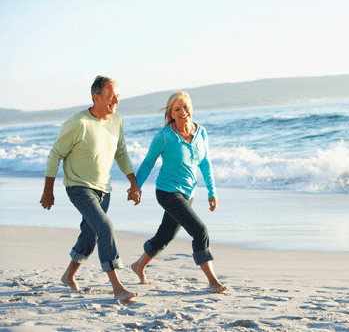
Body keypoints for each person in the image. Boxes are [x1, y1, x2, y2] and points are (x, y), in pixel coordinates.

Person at [40, 76, 141, 302]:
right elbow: (55, 154)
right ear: (96, 97)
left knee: (90, 233)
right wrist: (48, 190)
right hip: (78, 187)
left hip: (103, 189)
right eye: (110, 95)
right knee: (105, 228)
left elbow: (121, 153)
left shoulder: (117, 121)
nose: (116, 100)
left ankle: (68, 275)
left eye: (118, 96)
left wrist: (133, 182)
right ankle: (117, 287)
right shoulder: (78, 123)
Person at [131, 91, 227, 293]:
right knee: (200, 231)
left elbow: (205, 163)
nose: (183, 112)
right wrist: (136, 186)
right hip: (167, 192)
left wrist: (212, 191)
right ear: (171, 114)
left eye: (185, 107)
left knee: (165, 235)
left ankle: (139, 265)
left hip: (188, 194)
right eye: (177, 109)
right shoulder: (164, 136)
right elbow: (148, 162)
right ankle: (212, 281)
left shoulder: (201, 133)